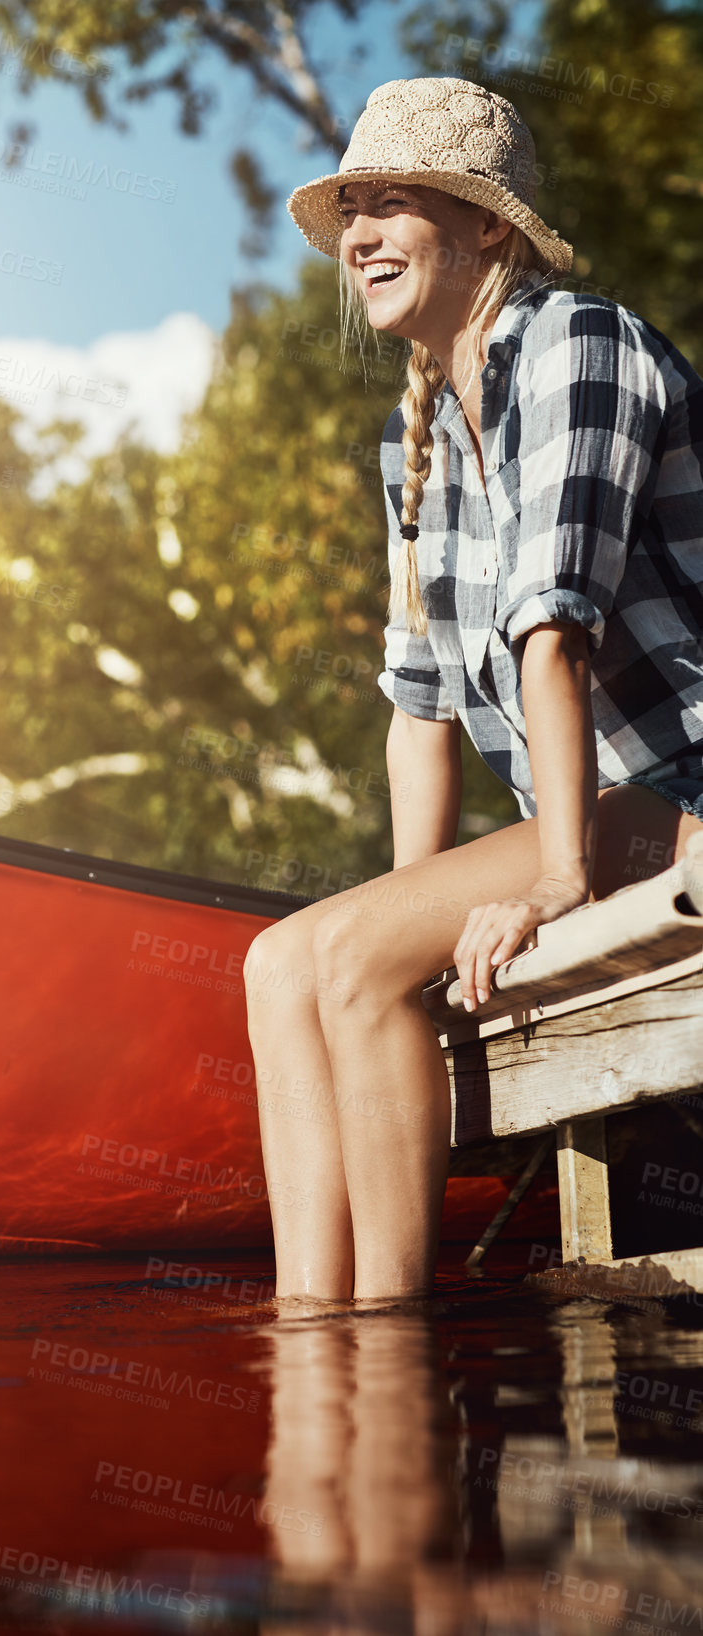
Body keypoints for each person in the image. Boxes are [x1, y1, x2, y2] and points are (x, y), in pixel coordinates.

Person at [244, 76, 703, 1303]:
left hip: (682, 799)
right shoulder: (425, 439)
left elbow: (555, 626)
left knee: (344, 960)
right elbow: (420, 716)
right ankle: (311, 1320)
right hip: (608, 813)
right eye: (352, 212)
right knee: (284, 964)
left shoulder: (578, 346)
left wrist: (555, 880)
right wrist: (408, 917)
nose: (359, 236)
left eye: (393, 202)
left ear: (487, 224)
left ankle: (387, 1336)